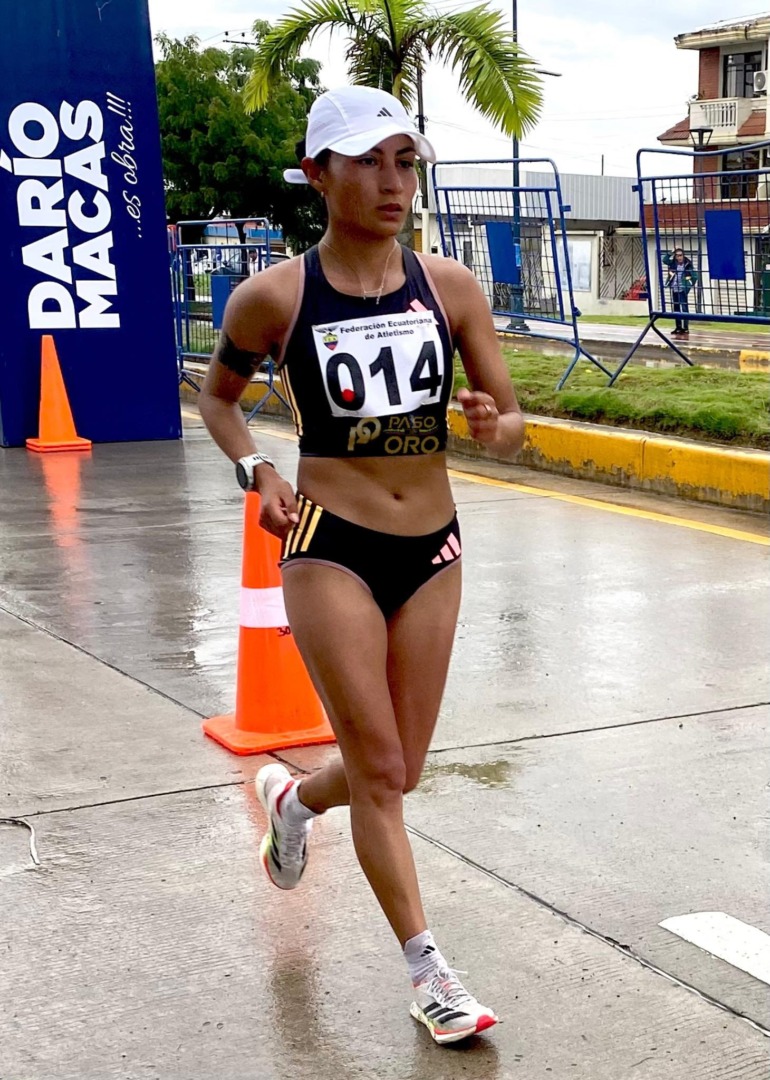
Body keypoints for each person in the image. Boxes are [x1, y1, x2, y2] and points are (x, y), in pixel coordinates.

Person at [199, 85, 525, 1046]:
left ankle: (294, 800)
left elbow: (511, 427)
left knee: (401, 767)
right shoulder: (275, 296)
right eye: (368, 161)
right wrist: (257, 468)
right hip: (326, 546)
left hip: (433, 547)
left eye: (405, 162)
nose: (392, 182)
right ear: (319, 174)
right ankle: (430, 975)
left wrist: (490, 424)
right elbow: (217, 400)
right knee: (380, 768)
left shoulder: (451, 287)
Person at [663, 248, 698, 338]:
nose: (679, 257)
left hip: (682, 290)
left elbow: (695, 276)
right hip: (674, 288)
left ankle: (685, 328)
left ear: (683, 255)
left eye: (680, 255)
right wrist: (672, 251)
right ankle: (678, 327)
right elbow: (665, 260)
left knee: (684, 309)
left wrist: (688, 285)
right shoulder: (673, 263)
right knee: (676, 309)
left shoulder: (688, 264)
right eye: (677, 255)